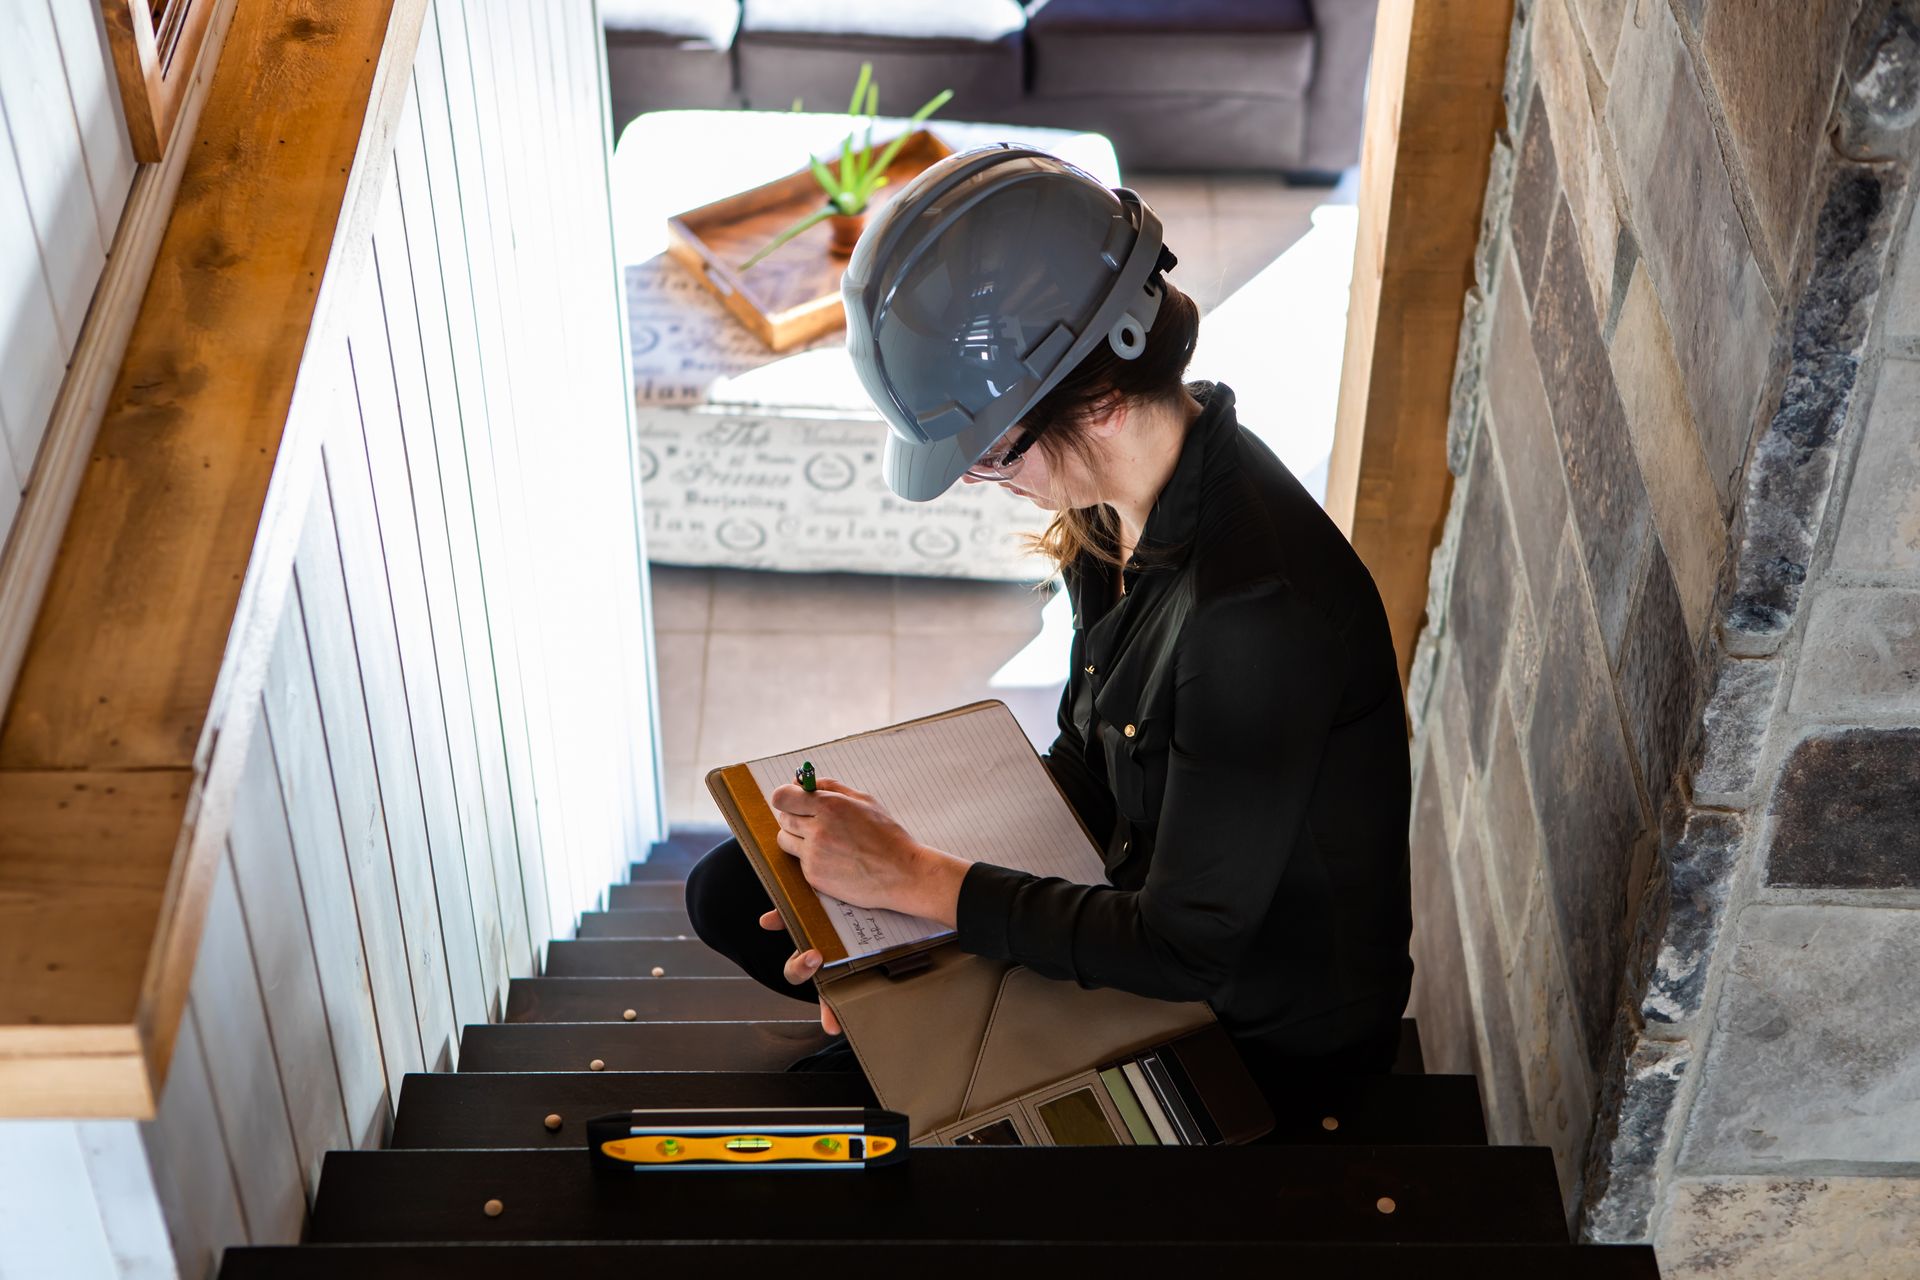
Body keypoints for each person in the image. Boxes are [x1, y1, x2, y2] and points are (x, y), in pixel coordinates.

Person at [684, 146, 1413, 1107]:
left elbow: (1185, 948)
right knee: (738, 891)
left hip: (1252, 1029)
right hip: (1129, 893)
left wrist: (918, 881)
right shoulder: (1117, 512)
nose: (990, 480)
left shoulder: (1252, 619)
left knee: (825, 1123)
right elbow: (1093, 765)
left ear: (1101, 402)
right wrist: (894, 912)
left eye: (992, 452)